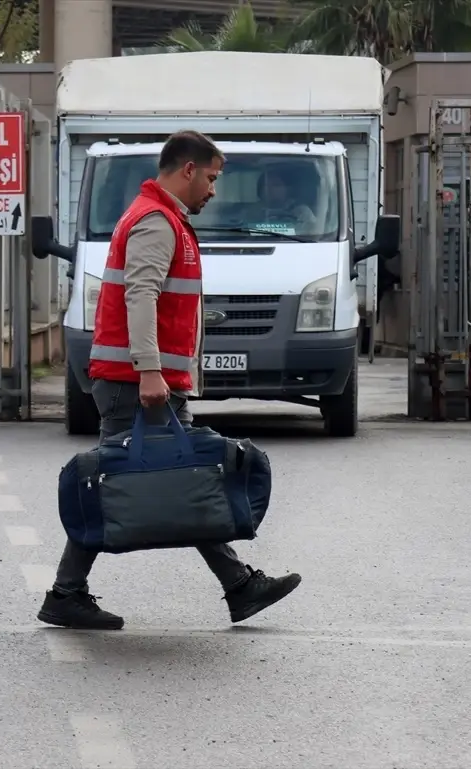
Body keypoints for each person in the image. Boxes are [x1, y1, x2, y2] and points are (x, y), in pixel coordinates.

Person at [37, 130, 303, 631]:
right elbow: (141, 295)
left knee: (183, 476)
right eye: (211, 177)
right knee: (165, 478)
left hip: (138, 379)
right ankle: (67, 593)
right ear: (187, 169)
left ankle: (236, 585)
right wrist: (150, 370)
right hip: (134, 382)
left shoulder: (161, 218)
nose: (213, 189)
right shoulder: (156, 222)